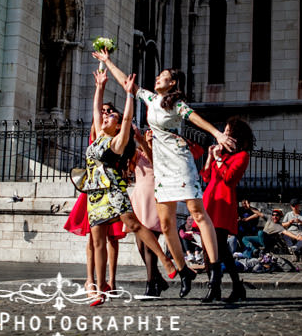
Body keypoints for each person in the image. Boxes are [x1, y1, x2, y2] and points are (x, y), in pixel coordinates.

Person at [94, 48, 236, 299]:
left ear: (172, 84)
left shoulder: (177, 104)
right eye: (158, 76)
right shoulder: (149, 98)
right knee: (167, 223)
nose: (157, 78)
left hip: (179, 162)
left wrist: (217, 134)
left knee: (197, 214)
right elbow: (126, 82)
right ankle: (183, 272)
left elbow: (195, 119)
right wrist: (108, 61)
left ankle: (215, 277)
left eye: (163, 76)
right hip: (161, 167)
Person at [83, 68, 177, 306]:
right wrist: (99, 86)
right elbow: (96, 111)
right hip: (94, 195)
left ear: (117, 127)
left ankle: (165, 261)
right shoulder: (99, 136)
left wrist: (129, 96)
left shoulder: (116, 141)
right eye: (105, 117)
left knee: (134, 224)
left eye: (110, 117)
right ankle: (100, 288)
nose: (106, 118)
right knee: (97, 242)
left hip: (113, 190)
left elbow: (126, 120)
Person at [63, 100, 127, 293]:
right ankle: (90, 280)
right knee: (93, 238)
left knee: (113, 238)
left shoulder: (115, 136)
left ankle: (112, 282)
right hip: (94, 189)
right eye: (103, 111)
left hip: (112, 185)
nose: (106, 113)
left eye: (110, 111)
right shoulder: (97, 132)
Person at [199, 117, 254, 303]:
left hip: (223, 203)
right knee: (207, 247)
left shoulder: (242, 156)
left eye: (228, 132)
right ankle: (217, 286)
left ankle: (231, 286)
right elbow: (206, 177)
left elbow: (229, 178)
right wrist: (209, 156)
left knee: (221, 247)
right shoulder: (221, 153)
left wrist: (218, 158)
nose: (224, 135)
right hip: (210, 200)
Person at [128, 127, 169, 298]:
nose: (150, 133)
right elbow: (129, 168)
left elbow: (157, 165)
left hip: (155, 198)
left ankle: (151, 284)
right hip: (139, 197)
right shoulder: (137, 153)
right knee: (140, 245)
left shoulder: (162, 153)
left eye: (154, 132)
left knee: (150, 245)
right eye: (148, 131)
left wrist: (146, 144)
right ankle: (158, 279)